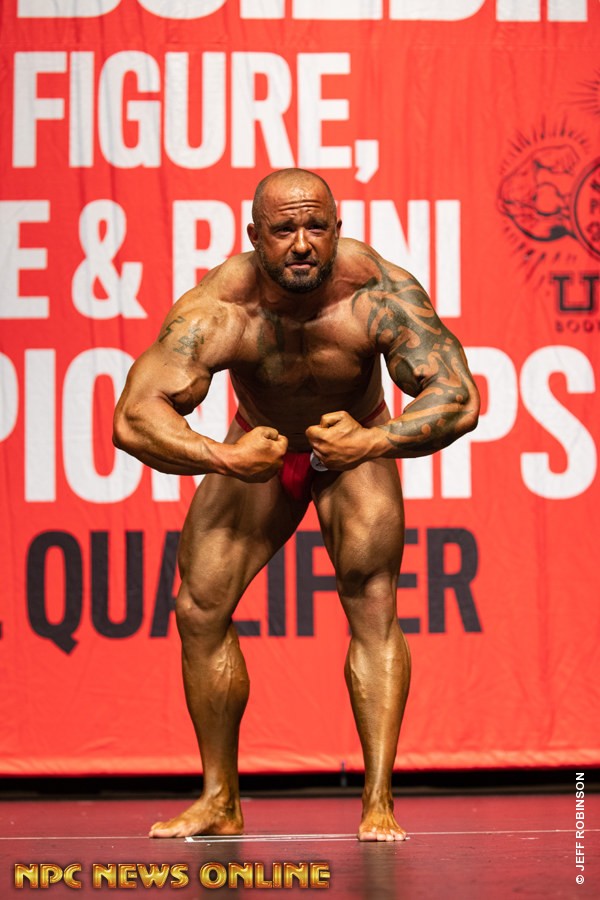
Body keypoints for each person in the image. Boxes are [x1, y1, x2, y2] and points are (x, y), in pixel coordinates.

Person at [113, 168, 480, 842]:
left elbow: (458, 398)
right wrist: (224, 457)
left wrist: (374, 440)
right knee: (199, 607)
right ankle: (219, 799)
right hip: (260, 445)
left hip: (354, 441)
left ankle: (378, 802)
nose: (303, 243)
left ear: (338, 229)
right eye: (285, 230)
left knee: (372, 603)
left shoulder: (376, 293)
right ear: (255, 236)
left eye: (317, 227)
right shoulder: (221, 308)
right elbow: (134, 418)